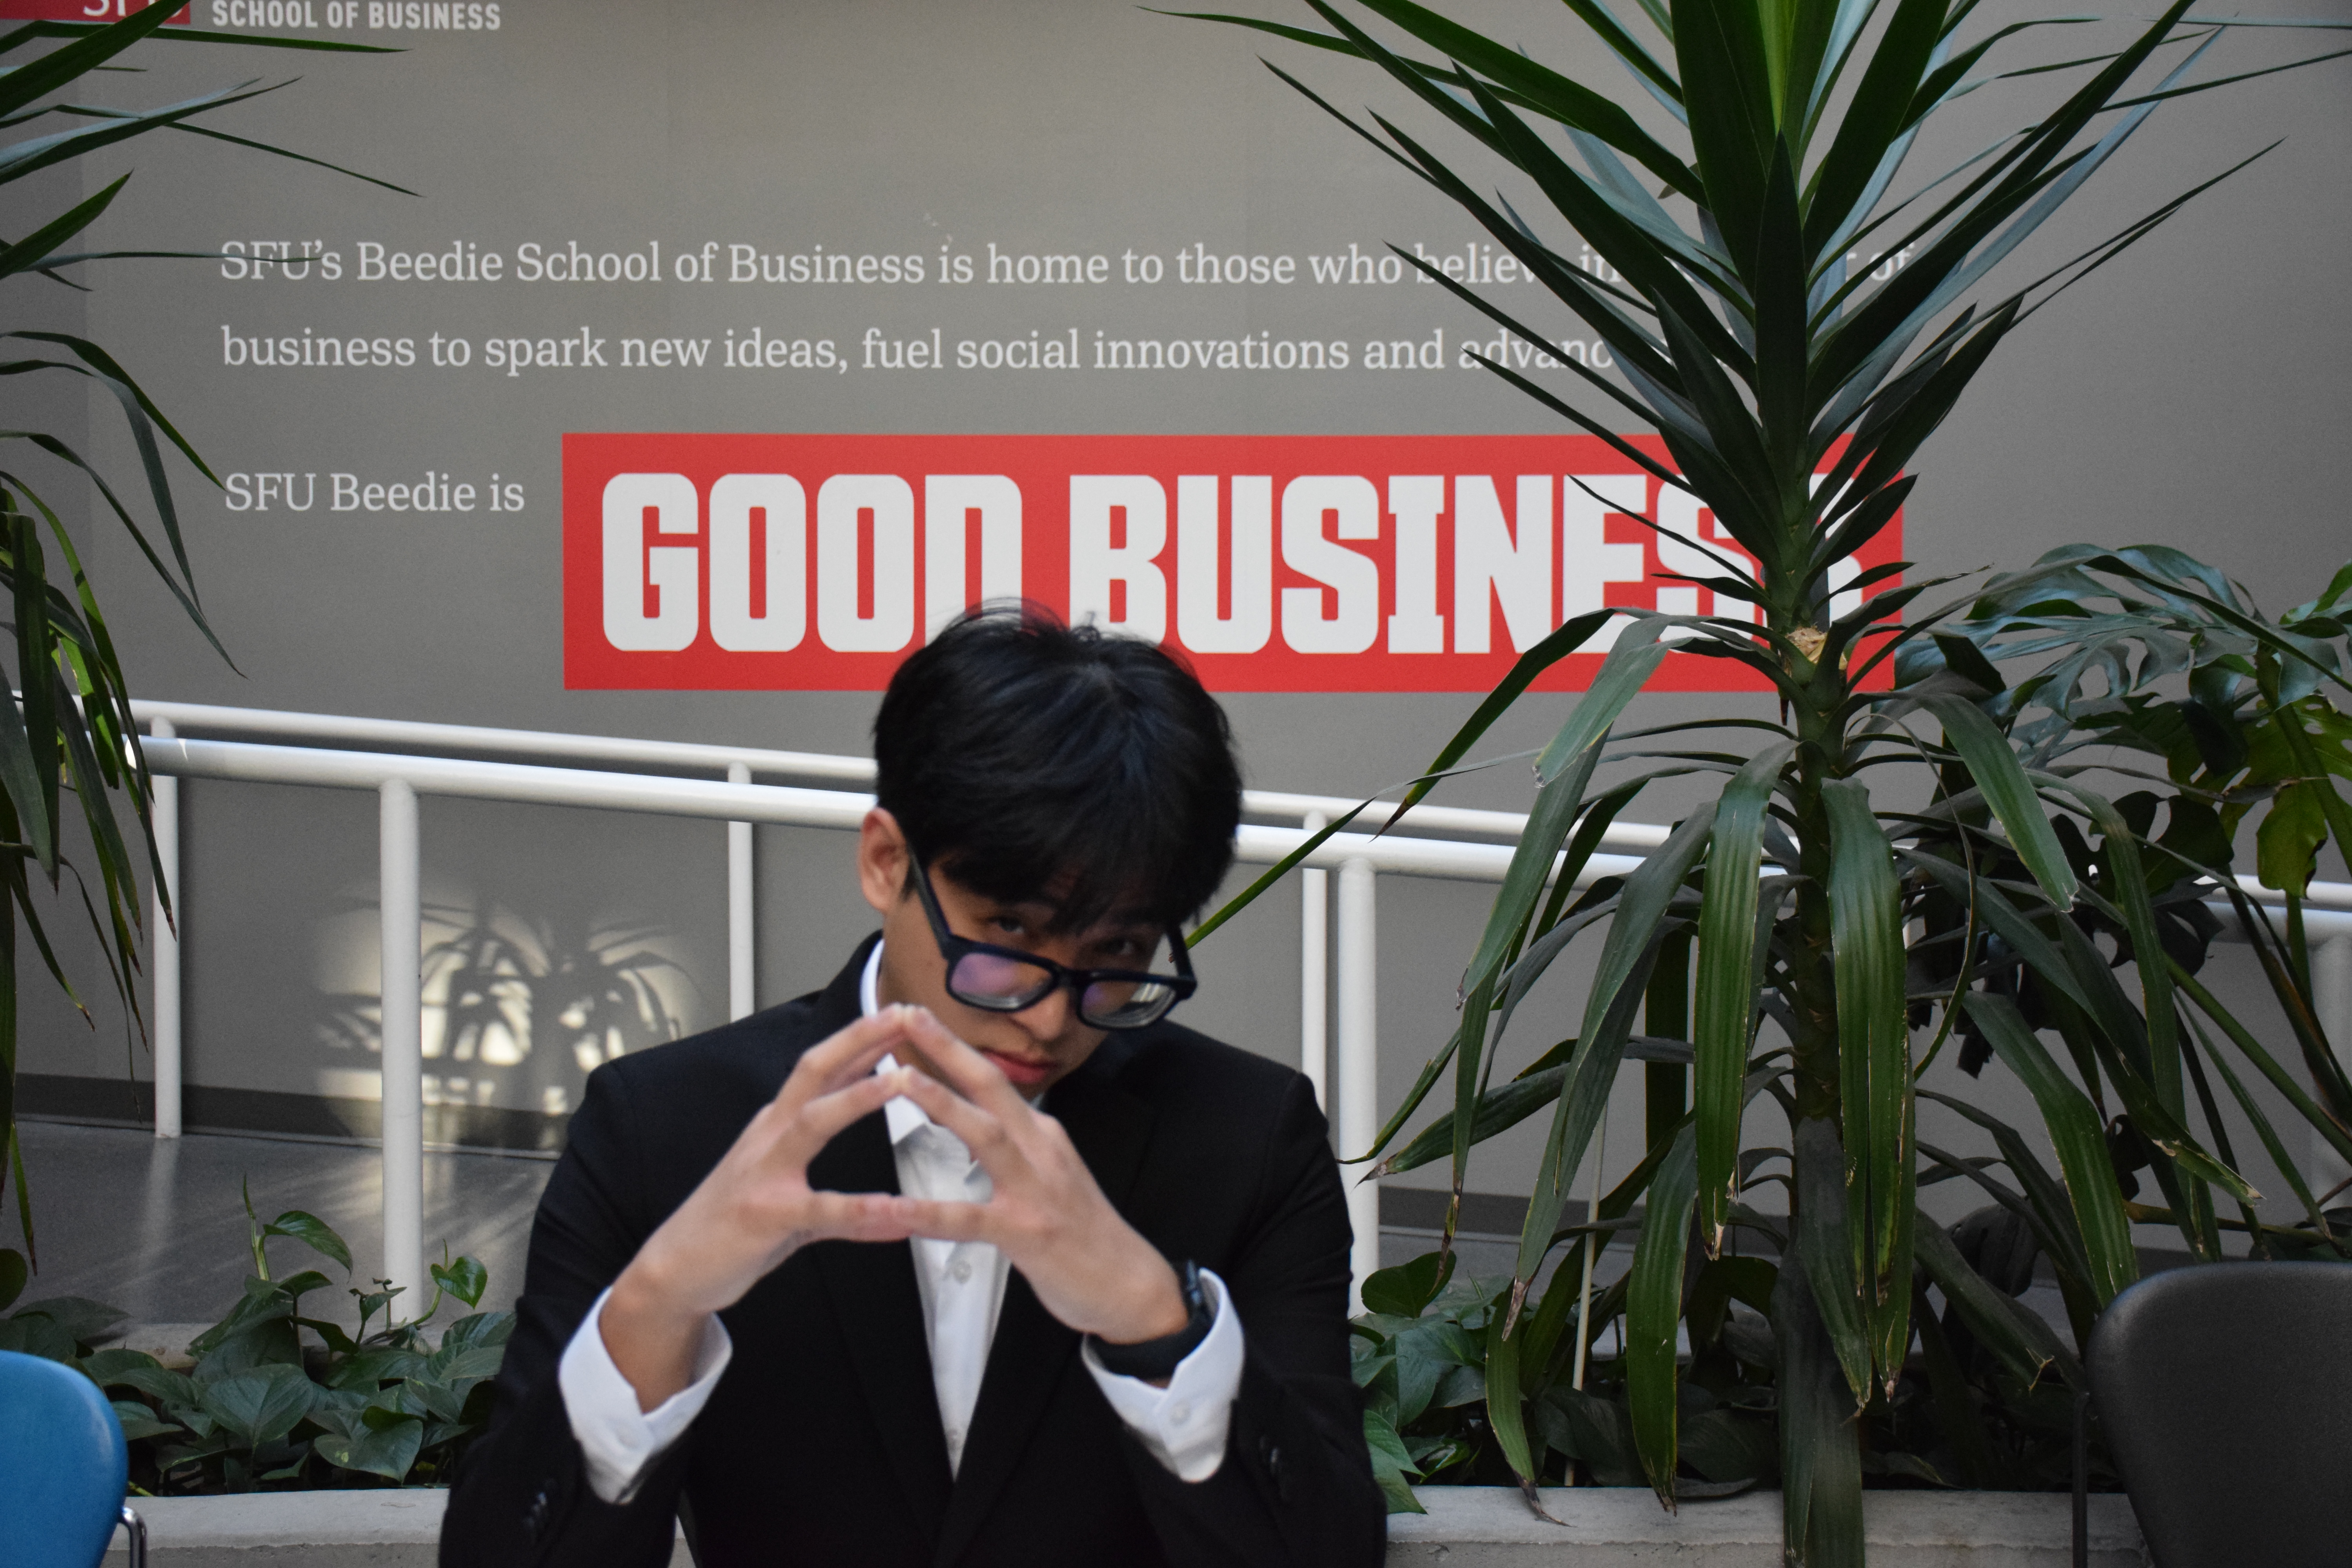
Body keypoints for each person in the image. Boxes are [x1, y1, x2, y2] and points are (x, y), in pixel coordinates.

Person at [441, 606, 1386, 1567]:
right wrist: (657, 1305)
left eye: (1117, 956)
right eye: (1009, 933)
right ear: (887, 861)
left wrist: (1157, 1320)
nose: (1053, 1018)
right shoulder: (663, 1127)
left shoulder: (1249, 1136)